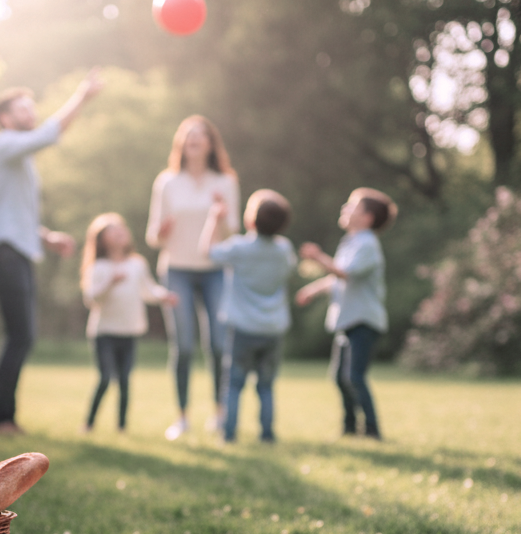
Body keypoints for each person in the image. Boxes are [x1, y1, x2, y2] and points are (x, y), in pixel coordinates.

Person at [0, 69, 104, 435]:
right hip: (3, 251)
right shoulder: (2, 143)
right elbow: (51, 132)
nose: (30, 114)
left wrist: (46, 237)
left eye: (32, 108)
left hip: (13, 248)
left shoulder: (18, 157)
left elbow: (13, 212)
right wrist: (81, 96)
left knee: (21, 335)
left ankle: (4, 418)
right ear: (5, 118)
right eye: (22, 109)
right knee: (21, 335)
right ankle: (0, 419)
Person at [145, 115, 241, 441]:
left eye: (202, 135)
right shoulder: (167, 182)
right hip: (176, 270)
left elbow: (234, 232)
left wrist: (223, 216)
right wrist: (161, 232)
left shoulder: (225, 182)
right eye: (189, 135)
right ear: (182, 145)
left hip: (215, 271)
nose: (195, 140)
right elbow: (153, 238)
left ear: (211, 144)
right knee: (183, 346)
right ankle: (182, 417)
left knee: (217, 343)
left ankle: (219, 413)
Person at [295, 187, 398, 440]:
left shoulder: (367, 244)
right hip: (348, 319)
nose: (345, 209)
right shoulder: (351, 242)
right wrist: (313, 290)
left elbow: (344, 273)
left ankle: (372, 430)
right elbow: (337, 277)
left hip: (363, 320)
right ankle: (350, 428)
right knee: (340, 377)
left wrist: (317, 256)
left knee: (354, 376)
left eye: (352, 206)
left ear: (367, 218)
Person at [200, 190, 296, 443]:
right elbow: (289, 270)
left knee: (233, 384)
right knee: (265, 385)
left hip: (242, 328)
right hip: (273, 328)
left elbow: (207, 251)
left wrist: (214, 219)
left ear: (250, 221)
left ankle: (228, 435)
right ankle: (267, 435)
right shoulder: (284, 249)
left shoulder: (240, 247)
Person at [80, 213, 178, 433]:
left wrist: (164, 296)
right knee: (105, 378)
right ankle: (89, 423)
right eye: (113, 230)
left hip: (130, 331)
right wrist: (109, 282)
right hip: (104, 332)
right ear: (102, 239)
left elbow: (148, 289)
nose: (120, 232)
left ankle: (122, 427)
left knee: (124, 380)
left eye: (121, 229)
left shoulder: (137, 264)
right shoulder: (98, 267)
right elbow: (92, 299)